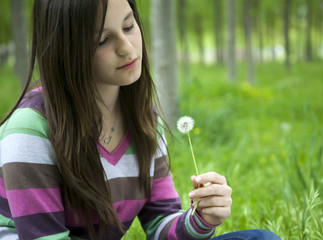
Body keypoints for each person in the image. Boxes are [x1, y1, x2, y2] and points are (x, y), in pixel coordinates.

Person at [0, 0, 281, 239]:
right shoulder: (30, 131)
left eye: (128, 26)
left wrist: (201, 217)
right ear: (67, 50)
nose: (126, 47)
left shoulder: (142, 119)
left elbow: (160, 223)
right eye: (102, 40)